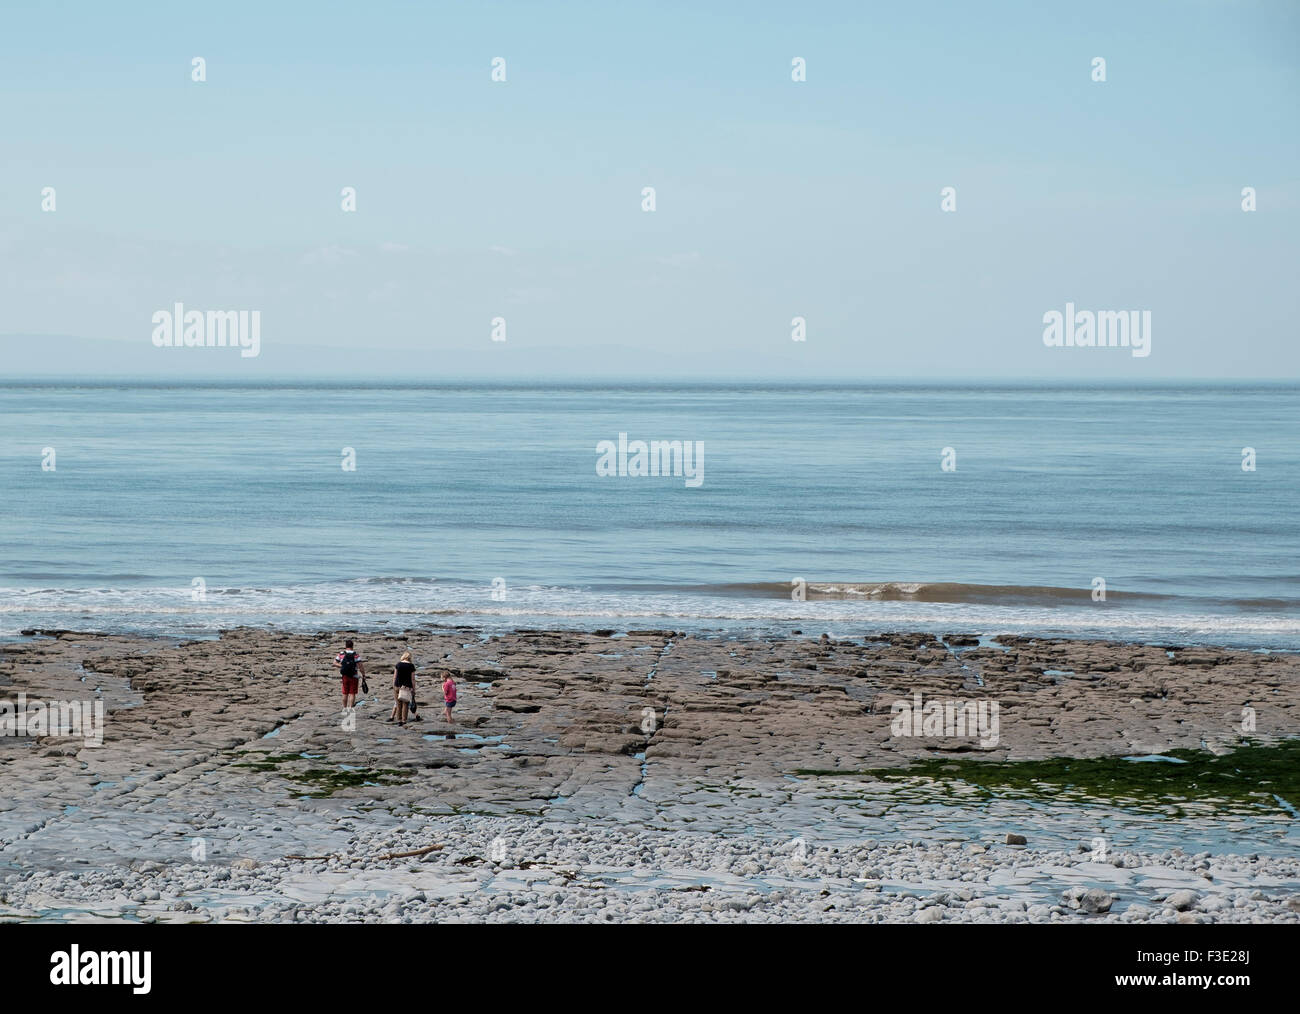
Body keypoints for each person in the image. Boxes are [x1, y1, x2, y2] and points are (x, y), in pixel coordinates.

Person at [334, 639, 366, 710]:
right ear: (352, 646)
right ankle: (350, 708)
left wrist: (343, 666)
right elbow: (360, 666)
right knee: (352, 693)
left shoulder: (341, 654)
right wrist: (363, 674)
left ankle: (344, 708)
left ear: (346, 646)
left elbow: (334, 663)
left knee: (345, 693)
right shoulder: (356, 655)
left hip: (344, 676)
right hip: (354, 676)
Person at [390, 651, 417, 725]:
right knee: (405, 704)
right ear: (409, 658)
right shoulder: (411, 666)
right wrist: (414, 689)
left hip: (397, 686)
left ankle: (399, 720)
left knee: (398, 704)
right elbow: (413, 679)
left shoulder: (398, 664)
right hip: (407, 687)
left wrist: (394, 686)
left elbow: (394, 677)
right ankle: (404, 720)